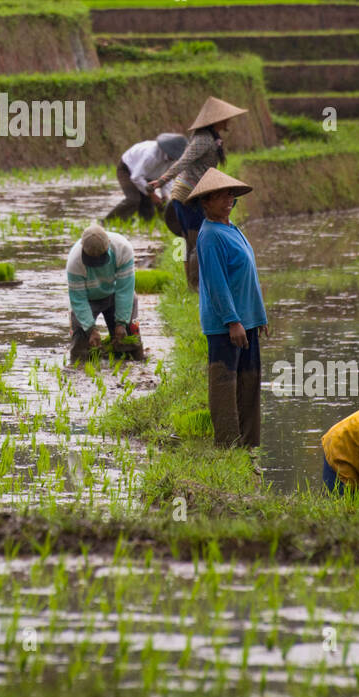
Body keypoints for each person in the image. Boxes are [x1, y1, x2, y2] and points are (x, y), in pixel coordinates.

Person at [190, 167, 268, 450]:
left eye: (230, 195)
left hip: (247, 321)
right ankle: (227, 446)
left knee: (249, 383)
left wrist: (259, 316)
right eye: (220, 196)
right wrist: (232, 321)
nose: (228, 200)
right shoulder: (210, 236)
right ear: (206, 202)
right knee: (225, 384)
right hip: (227, 326)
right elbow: (217, 284)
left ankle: (248, 446)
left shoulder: (232, 229)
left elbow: (249, 277)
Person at [150, 97, 248, 289]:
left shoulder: (211, 138)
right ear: (215, 120)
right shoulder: (203, 140)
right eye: (225, 117)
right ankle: (196, 287)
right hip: (188, 197)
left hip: (194, 194)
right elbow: (183, 161)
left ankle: (194, 285)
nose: (228, 121)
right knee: (196, 242)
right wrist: (162, 181)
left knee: (192, 242)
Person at [66, 224, 140, 363]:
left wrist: (121, 323)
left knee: (128, 345)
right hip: (88, 299)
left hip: (115, 295)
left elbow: (125, 289)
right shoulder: (74, 262)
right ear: (83, 249)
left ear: (109, 246)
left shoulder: (123, 249)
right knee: (81, 350)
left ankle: (128, 366)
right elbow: (78, 300)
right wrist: (90, 329)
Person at [104, 133, 188, 220]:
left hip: (148, 175)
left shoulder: (174, 159)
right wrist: (152, 195)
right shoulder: (151, 156)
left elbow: (166, 178)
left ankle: (139, 221)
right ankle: (107, 221)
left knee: (149, 211)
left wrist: (165, 196)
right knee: (133, 199)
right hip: (128, 170)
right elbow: (136, 177)